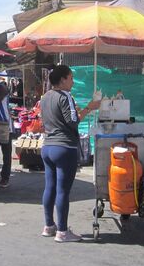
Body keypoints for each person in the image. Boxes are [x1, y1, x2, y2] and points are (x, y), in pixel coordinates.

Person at [40, 65, 100, 243]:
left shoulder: (46, 97)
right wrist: (89, 107)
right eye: (71, 78)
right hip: (64, 147)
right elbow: (73, 122)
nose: (73, 82)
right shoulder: (65, 96)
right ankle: (63, 232)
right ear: (63, 79)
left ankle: (49, 226)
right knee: (63, 191)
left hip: (48, 147)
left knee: (50, 188)